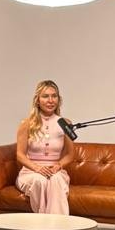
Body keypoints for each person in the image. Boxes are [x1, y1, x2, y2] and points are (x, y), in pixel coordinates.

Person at [14, 79, 73, 216]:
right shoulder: (26, 124)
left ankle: (57, 225)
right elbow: (20, 155)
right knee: (40, 181)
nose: (50, 100)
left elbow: (70, 155)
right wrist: (37, 168)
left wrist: (58, 166)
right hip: (30, 172)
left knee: (55, 180)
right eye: (45, 96)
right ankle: (46, 223)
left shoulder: (65, 123)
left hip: (55, 171)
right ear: (37, 100)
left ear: (59, 99)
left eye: (54, 96)